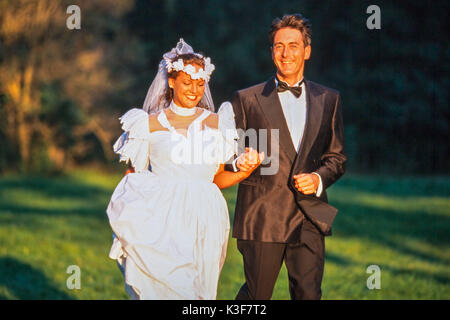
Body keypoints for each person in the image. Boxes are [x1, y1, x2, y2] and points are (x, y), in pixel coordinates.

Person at [106, 39, 263, 300]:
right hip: (162, 217)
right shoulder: (147, 125)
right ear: (171, 81)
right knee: (164, 288)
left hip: (206, 216)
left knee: (198, 291)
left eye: (200, 84)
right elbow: (134, 176)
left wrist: (245, 171)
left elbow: (214, 179)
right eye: (187, 82)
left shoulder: (217, 123)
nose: (194, 90)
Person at [225, 14, 347, 300]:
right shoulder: (246, 98)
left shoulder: (329, 99)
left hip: (309, 216)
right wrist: (238, 160)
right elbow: (227, 150)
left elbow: (337, 158)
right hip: (262, 215)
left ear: (307, 51)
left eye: (293, 45)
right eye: (279, 46)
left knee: (309, 295)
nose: (285, 53)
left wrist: (318, 178)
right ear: (271, 52)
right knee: (256, 297)